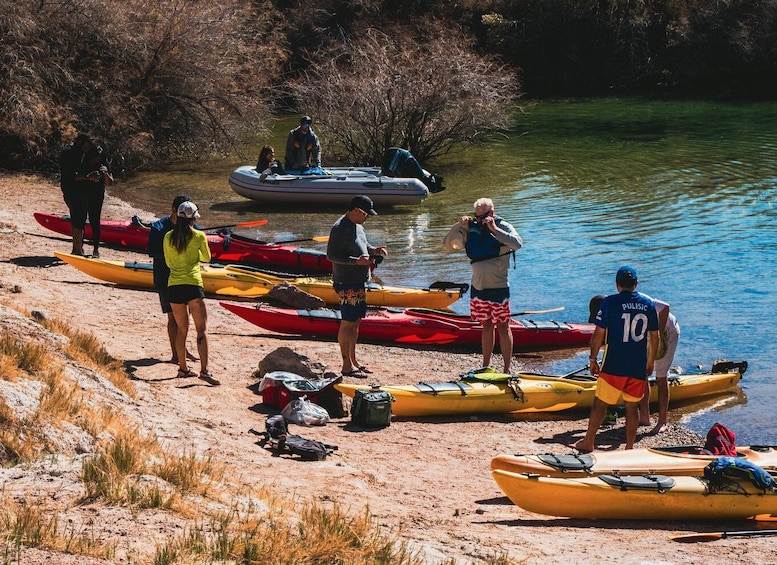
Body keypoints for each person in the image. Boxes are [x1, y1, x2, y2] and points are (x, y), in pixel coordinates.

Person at [575, 266, 659, 452]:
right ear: (636, 284)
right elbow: (655, 336)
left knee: (600, 403)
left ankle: (589, 441)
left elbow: (598, 334)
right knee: (632, 406)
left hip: (614, 364)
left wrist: (593, 358)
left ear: (617, 284)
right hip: (637, 365)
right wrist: (650, 362)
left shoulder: (610, 302)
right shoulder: (648, 304)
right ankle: (628, 447)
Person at [443, 198, 522, 373]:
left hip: (499, 287)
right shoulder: (472, 227)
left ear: (492, 213)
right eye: (476, 216)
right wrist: (459, 226)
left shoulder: (504, 226)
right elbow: (449, 245)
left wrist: (494, 229)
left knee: (503, 326)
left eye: (483, 216)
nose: (479, 220)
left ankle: (507, 368)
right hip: (478, 288)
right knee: (486, 325)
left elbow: (517, 243)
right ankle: (485, 365)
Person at [326, 195, 387, 377]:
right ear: (355, 211)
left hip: (358, 281)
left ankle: (354, 360)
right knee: (347, 323)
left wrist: (373, 250)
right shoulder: (339, 228)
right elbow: (331, 255)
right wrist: (355, 262)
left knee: (356, 322)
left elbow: (363, 245)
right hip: (346, 282)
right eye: (365, 214)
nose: (367, 217)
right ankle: (346, 366)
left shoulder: (358, 226)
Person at [162, 201, 219, 385]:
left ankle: (183, 369)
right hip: (193, 286)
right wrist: (195, 256)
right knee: (201, 331)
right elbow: (207, 258)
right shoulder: (199, 236)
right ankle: (204, 371)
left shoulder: (168, 237)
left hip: (174, 287)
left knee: (181, 330)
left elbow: (169, 263)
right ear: (193, 218)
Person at [148, 194, 198, 365]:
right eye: (182, 214)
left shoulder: (191, 226)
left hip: (186, 278)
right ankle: (175, 355)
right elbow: (153, 251)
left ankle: (182, 350)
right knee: (173, 319)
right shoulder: (158, 227)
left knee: (185, 319)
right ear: (173, 210)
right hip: (165, 279)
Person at [639, 298, 680, 434]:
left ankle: (663, 422)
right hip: (648, 335)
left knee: (661, 377)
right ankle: (644, 416)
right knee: (642, 373)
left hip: (667, 332)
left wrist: (659, 336)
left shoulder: (643, 300)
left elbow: (665, 307)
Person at [59, 133, 95, 255]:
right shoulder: (67, 153)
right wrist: (88, 177)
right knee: (78, 217)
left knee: (79, 217)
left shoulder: (81, 153)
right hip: (70, 189)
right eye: (87, 144)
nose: (88, 148)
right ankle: (77, 250)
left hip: (80, 190)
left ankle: (78, 247)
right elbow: (71, 176)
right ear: (79, 142)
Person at [77, 145, 114, 258]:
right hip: (83, 194)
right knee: (81, 220)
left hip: (97, 195)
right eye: (96, 157)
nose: (98, 160)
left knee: (95, 221)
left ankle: (96, 250)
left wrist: (106, 174)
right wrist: (89, 177)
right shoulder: (83, 161)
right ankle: (79, 246)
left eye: (99, 157)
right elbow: (75, 177)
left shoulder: (104, 163)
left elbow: (110, 183)